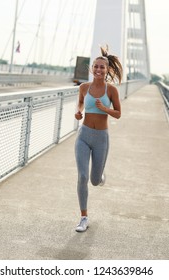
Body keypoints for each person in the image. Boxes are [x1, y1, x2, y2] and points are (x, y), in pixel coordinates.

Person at [74, 45, 123, 232]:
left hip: (101, 138)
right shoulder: (84, 87)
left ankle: (100, 175)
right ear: (91, 68)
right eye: (96, 66)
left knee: (94, 180)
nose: (98, 70)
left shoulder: (111, 91)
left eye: (102, 67)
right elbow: (79, 104)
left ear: (107, 70)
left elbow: (118, 113)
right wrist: (78, 113)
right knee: (82, 177)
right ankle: (83, 218)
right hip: (84, 136)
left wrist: (104, 109)